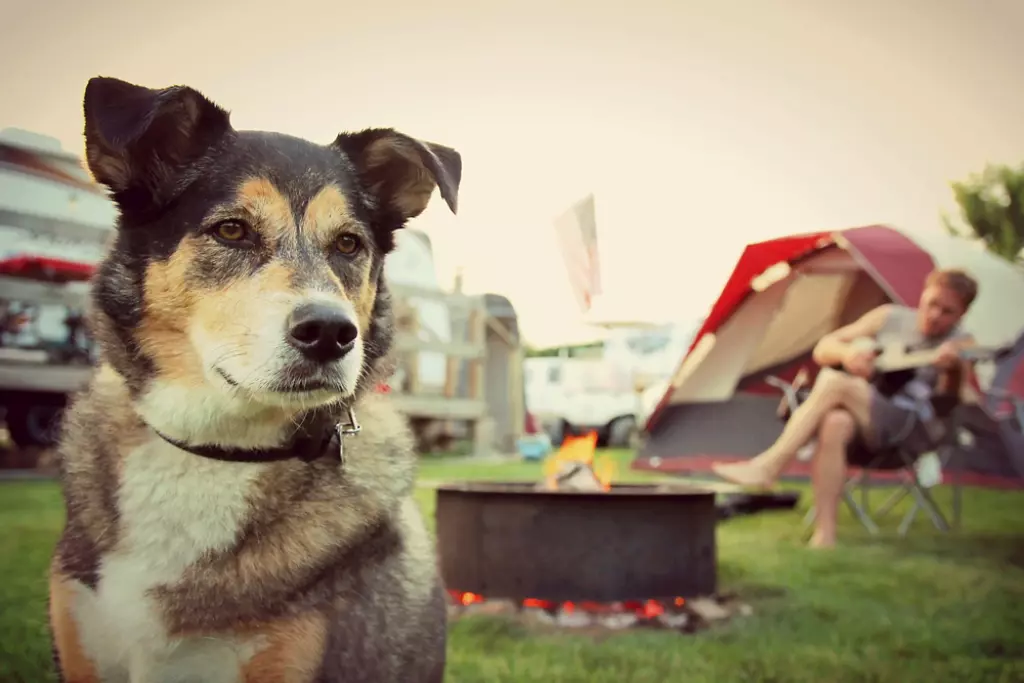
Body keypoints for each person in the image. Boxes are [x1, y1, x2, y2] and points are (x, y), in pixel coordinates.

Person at [711, 268, 979, 548]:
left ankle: (770, 465)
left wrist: (954, 371)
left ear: (961, 314)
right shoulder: (889, 317)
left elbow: (948, 404)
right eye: (932, 304)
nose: (935, 315)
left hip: (910, 428)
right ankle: (825, 536)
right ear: (923, 295)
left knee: (834, 382)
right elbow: (824, 347)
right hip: (867, 418)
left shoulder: (962, 345)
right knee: (835, 422)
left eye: (947, 311)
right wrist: (847, 354)